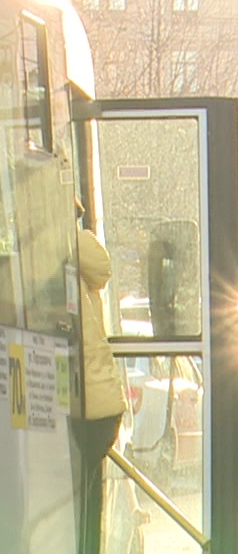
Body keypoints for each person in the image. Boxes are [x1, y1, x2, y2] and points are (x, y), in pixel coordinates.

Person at [74, 203, 128, 534]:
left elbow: (101, 266)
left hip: (91, 407)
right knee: (79, 506)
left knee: (74, 508)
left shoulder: (63, 244)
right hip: (94, 403)